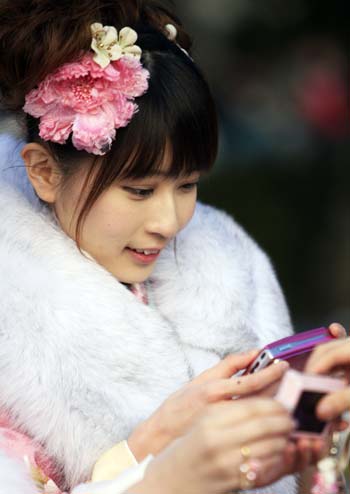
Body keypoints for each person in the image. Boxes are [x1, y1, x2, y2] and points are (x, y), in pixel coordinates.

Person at [0, 0, 338, 492]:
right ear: (44, 171)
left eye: (187, 185)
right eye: (140, 190)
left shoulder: (230, 267)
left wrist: (318, 437)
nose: (170, 222)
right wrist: (161, 459)